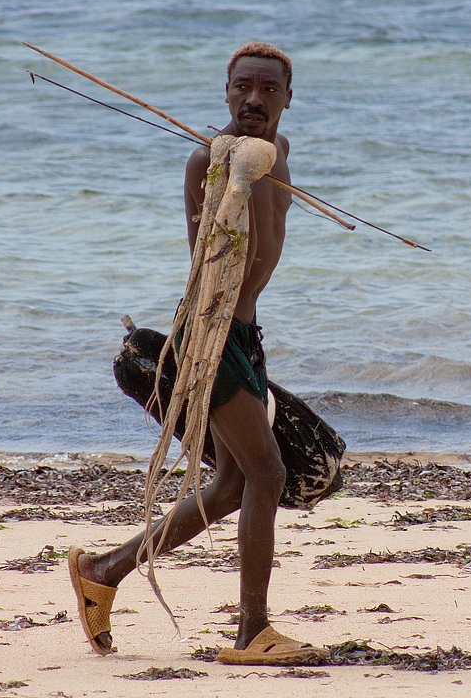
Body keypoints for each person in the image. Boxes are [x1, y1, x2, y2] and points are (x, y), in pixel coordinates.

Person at [68, 42, 325, 665]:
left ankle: (104, 571)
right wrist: (234, 177)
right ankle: (252, 632)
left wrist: (258, 167)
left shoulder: (279, 154)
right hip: (208, 336)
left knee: (236, 483)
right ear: (226, 92)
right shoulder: (205, 162)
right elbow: (213, 271)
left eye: (268, 89)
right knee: (267, 473)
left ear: (289, 99)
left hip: (247, 337)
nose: (254, 100)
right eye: (243, 88)